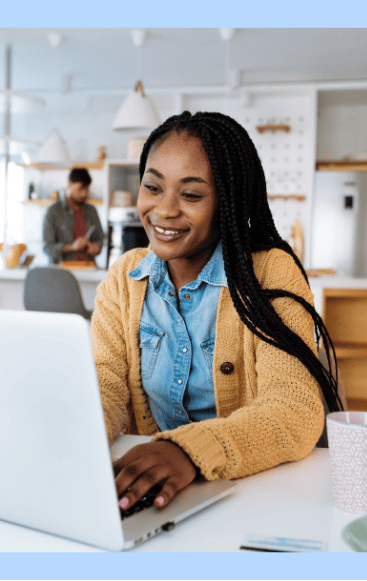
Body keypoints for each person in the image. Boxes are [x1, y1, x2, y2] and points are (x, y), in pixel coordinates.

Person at [90, 111, 343, 513]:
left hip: (249, 492)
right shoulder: (125, 277)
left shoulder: (269, 271)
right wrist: (73, 440)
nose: (164, 210)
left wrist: (188, 452)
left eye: (190, 195)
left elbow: (294, 408)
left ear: (228, 202)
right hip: (153, 491)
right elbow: (105, 387)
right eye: (152, 187)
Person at [42, 167, 104, 264]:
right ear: (69, 184)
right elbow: (47, 248)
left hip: (89, 270)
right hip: (62, 272)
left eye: (87, 189)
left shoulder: (92, 211)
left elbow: (100, 242)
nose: (84, 194)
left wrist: (92, 247)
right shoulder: (53, 211)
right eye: (80, 189)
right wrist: (72, 247)